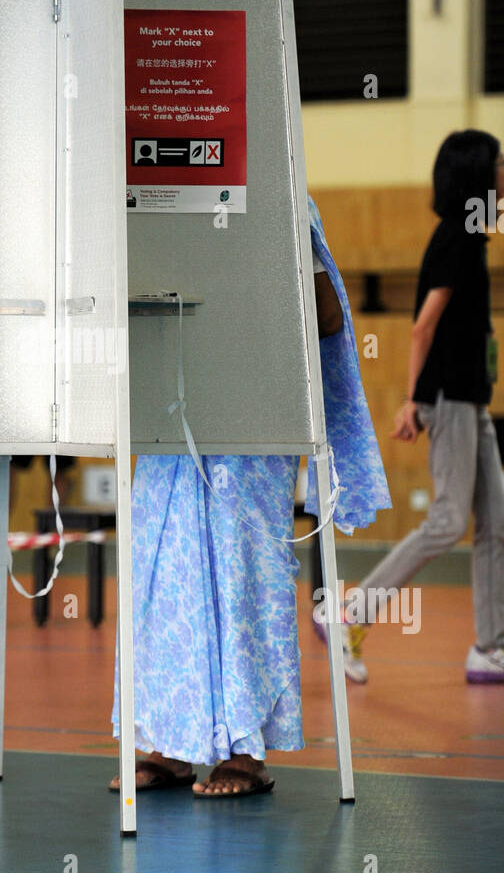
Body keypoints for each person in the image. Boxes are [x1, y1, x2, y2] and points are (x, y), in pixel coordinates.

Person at [109, 196, 389, 797]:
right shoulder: (156, 197)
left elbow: (330, 318)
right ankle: (167, 742)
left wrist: (251, 290)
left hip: (254, 419)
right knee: (163, 578)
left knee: (241, 576)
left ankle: (244, 751)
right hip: (169, 416)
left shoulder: (284, 196)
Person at [347, 130, 504, 685]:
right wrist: (412, 399)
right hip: (449, 401)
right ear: (478, 176)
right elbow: (421, 327)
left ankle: (490, 647)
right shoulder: (457, 238)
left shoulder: (472, 236)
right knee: (446, 522)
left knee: (495, 525)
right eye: (499, 165)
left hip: (472, 402)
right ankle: (352, 612)